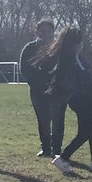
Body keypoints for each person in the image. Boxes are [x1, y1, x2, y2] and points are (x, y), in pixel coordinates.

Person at [38, 27, 92, 173]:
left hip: (77, 98)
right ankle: (63, 158)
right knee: (90, 130)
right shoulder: (74, 58)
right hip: (81, 98)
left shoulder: (68, 57)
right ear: (76, 43)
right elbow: (84, 79)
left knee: (90, 129)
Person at [19, 20, 61, 158]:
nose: (46, 34)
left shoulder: (58, 48)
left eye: (49, 31)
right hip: (37, 90)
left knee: (57, 119)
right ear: (37, 32)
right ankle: (45, 148)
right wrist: (35, 84)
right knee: (43, 120)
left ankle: (57, 148)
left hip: (55, 89)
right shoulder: (29, 48)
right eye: (43, 31)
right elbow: (24, 68)